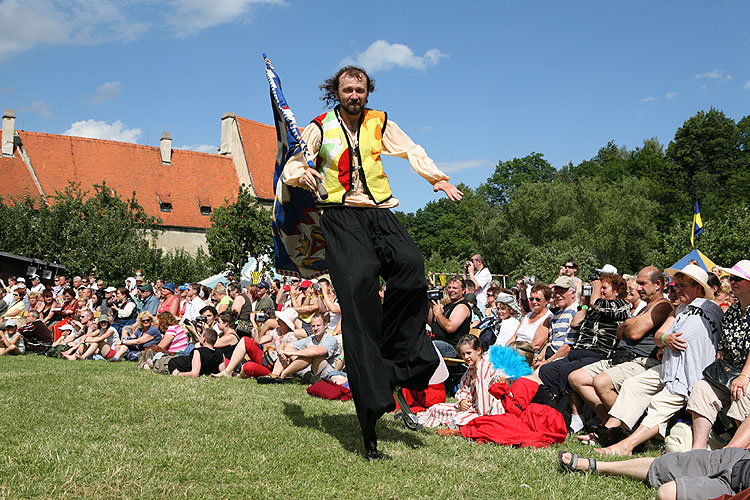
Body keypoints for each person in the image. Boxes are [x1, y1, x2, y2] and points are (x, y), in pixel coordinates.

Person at [281, 65, 462, 459]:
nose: (354, 95)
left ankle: (397, 354)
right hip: (340, 215)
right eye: (348, 89)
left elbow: (412, 149)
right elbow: (293, 163)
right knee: (360, 283)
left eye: (360, 89)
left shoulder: (380, 122)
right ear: (337, 92)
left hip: (379, 211)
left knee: (412, 267)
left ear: (367, 92)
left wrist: (437, 178)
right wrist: (303, 175)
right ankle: (369, 427)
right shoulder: (318, 127)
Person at [594, 264, 723, 456]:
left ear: (698, 287)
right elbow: (659, 336)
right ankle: (617, 431)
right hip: (670, 367)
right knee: (633, 385)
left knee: (660, 403)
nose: (676, 290)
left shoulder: (710, 309)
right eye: (675, 286)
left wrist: (665, 343)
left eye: (682, 286)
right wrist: (665, 341)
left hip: (691, 374)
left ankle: (625, 446)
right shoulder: (680, 309)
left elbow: (694, 339)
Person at [569, 266, 673, 437]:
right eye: (637, 283)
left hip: (641, 360)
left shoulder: (661, 306)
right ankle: (610, 425)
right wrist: (629, 323)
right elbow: (620, 332)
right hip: (620, 358)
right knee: (576, 378)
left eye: (642, 283)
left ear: (658, 285)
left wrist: (628, 323)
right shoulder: (645, 307)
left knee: (601, 382)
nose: (638, 288)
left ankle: (624, 430)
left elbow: (633, 332)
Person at [686, 259, 750, 450]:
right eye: (731, 278)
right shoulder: (732, 313)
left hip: (745, 375)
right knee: (702, 389)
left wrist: (744, 376)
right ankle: (697, 449)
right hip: (735, 372)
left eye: (738, 278)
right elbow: (724, 348)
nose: (732, 281)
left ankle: (738, 453)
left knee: (741, 393)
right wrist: (718, 369)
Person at [537, 273, 630, 399]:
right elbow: (575, 323)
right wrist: (585, 303)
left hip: (599, 354)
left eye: (604, 288)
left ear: (617, 291)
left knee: (566, 370)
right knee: (547, 370)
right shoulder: (593, 310)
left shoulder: (621, 306)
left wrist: (596, 287)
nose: (600, 291)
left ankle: (569, 410)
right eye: (600, 288)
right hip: (578, 353)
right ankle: (555, 401)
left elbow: (597, 304)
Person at [558, 448, 750, 500]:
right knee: (665, 465)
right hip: (739, 458)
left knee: (667, 493)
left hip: (736, 490)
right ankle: (595, 465)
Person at [417, 334, 504, 428]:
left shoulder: (484, 368)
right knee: (436, 408)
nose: (466, 357)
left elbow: (484, 399)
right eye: (463, 354)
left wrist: (481, 416)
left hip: (487, 408)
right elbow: (464, 388)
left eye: (469, 353)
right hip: (473, 405)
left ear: (478, 350)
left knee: (459, 418)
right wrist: (463, 400)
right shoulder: (471, 369)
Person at [259, 312, 340, 383]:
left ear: (326, 325)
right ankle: (274, 375)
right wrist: (281, 351)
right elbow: (284, 345)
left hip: (325, 376)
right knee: (288, 349)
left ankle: (283, 375)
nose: (315, 328)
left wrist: (290, 353)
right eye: (313, 326)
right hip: (309, 372)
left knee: (310, 353)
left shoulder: (331, 339)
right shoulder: (311, 338)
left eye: (318, 325)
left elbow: (317, 352)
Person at [428, 277, 472, 358]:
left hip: (452, 348)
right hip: (438, 342)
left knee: (425, 346)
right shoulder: (447, 306)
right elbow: (431, 322)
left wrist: (438, 314)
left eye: (455, 288)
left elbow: (450, 327)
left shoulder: (462, 307)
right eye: (449, 287)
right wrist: (431, 306)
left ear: (463, 290)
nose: (451, 290)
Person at [508, 284, 552, 350]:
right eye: (531, 299)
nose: (534, 302)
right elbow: (514, 337)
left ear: (547, 301)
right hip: (514, 349)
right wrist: (504, 350)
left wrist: (515, 351)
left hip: (526, 353)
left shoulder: (547, 318)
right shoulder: (528, 316)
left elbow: (536, 345)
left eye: (538, 299)